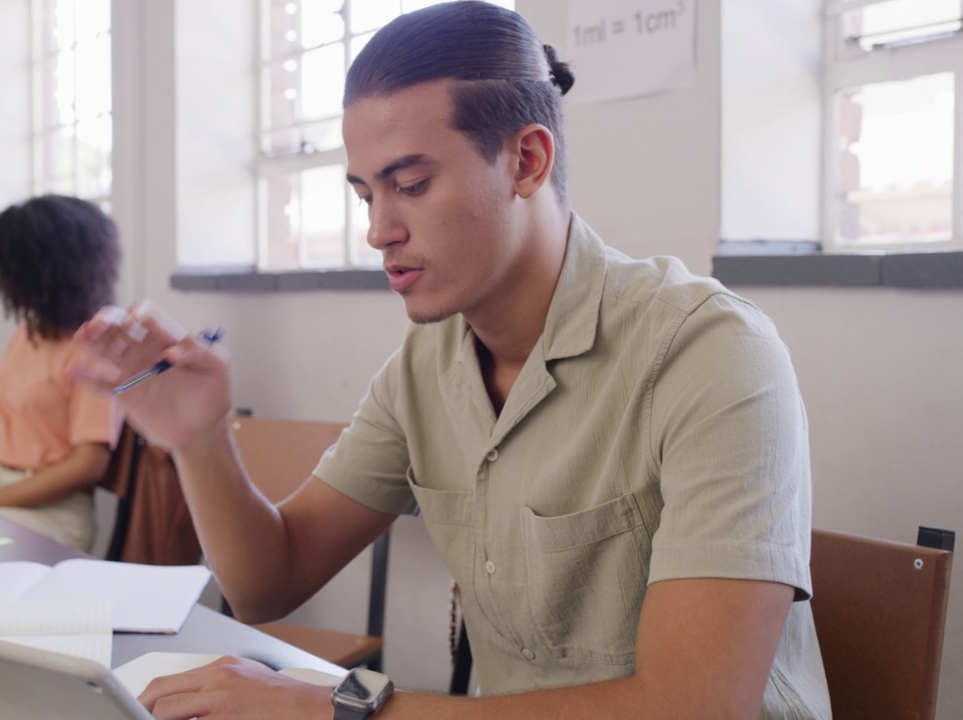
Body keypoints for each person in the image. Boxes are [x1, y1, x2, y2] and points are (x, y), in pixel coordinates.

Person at [69, 3, 831, 719]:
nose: (378, 231)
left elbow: (692, 708)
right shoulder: (426, 367)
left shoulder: (710, 353)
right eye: (366, 194)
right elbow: (270, 580)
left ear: (527, 161)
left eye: (410, 185)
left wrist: (342, 709)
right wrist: (200, 441)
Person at [0, 195, 123, 551]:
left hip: (44, 512)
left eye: (10, 270)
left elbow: (88, 465)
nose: (1, 282)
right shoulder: (27, 334)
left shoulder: (97, 347)